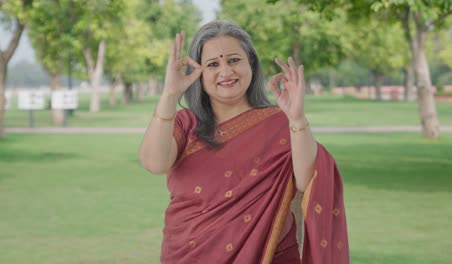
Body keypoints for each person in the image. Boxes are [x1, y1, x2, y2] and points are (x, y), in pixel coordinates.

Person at [139, 20, 349, 264]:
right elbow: (154, 163)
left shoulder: (280, 122)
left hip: (269, 255)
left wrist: (297, 118)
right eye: (213, 64)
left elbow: (309, 180)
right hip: (189, 253)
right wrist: (169, 95)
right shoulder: (186, 123)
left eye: (234, 60)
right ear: (199, 73)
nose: (226, 72)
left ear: (251, 62)